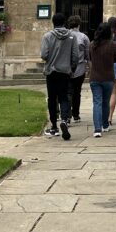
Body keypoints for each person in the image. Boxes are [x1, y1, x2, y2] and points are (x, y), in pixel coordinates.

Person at [40, 12, 77, 140]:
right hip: (65, 71)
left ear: (53, 22)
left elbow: (44, 55)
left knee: (52, 98)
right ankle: (65, 120)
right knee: (64, 97)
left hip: (51, 71)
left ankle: (54, 127)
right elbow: (75, 56)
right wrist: (72, 68)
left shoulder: (47, 36)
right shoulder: (71, 36)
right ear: (64, 22)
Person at [86, 23, 116, 136]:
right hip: (108, 77)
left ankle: (97, 129)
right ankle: (105, 125)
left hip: (95, 77)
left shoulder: (92, 45)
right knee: (105, 102)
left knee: (97, 102)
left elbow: (90, 58)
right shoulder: (113, 45)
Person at [67, 15, 89, 122]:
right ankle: (76, 114)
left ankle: (67, 114)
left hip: (66, 68)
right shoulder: (83, 37)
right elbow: (87, 54)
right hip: (80, 68)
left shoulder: (65, 35)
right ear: (79, 25)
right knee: (77, 92)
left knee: (68, 91)